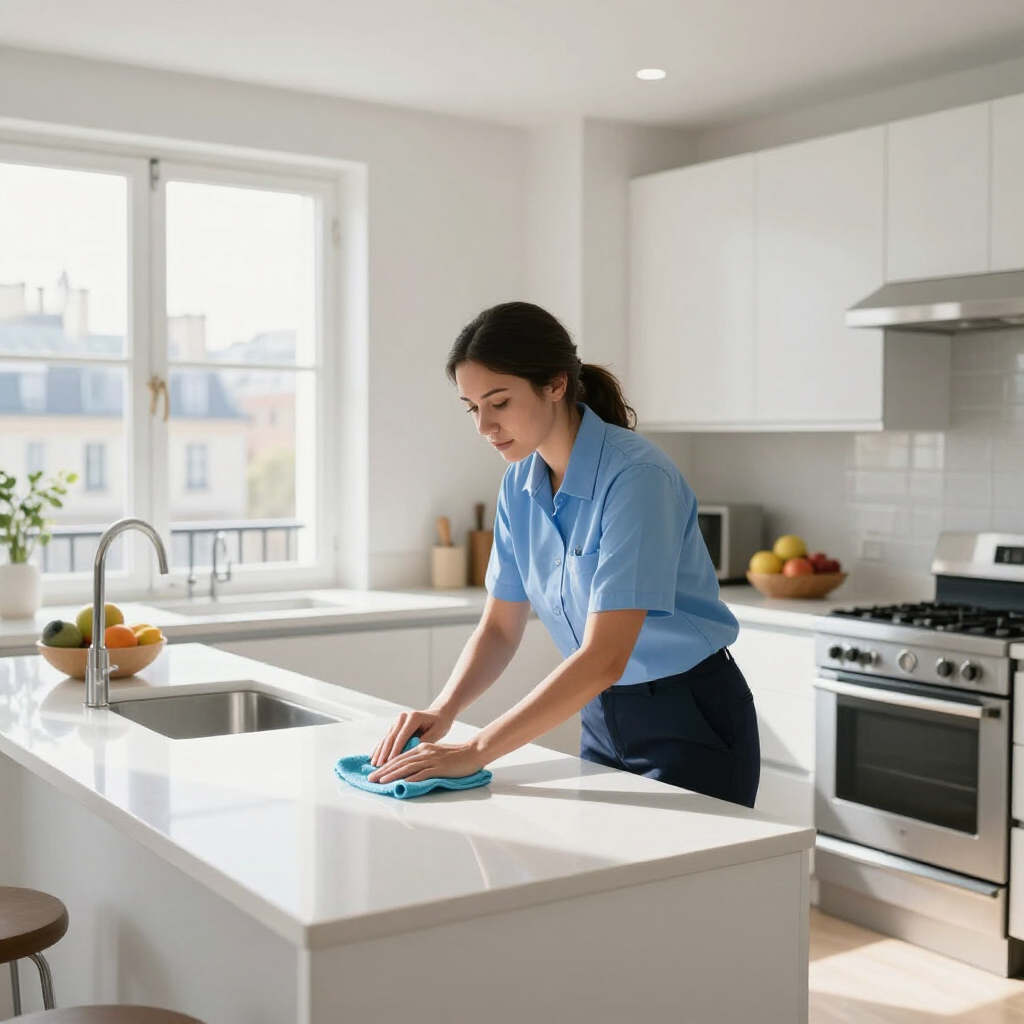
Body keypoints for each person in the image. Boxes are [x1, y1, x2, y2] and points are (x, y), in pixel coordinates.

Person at [368, 301, 760, 807]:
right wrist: (444, 710)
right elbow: (499, 628)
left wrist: (477, 750)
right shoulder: (519, 484)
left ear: (554, 385)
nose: (484, 425)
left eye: (500, 402)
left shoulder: (634, 477)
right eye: (473, 407)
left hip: (688, 715)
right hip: (600, 713)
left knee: (689, 884)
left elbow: (604, 657)